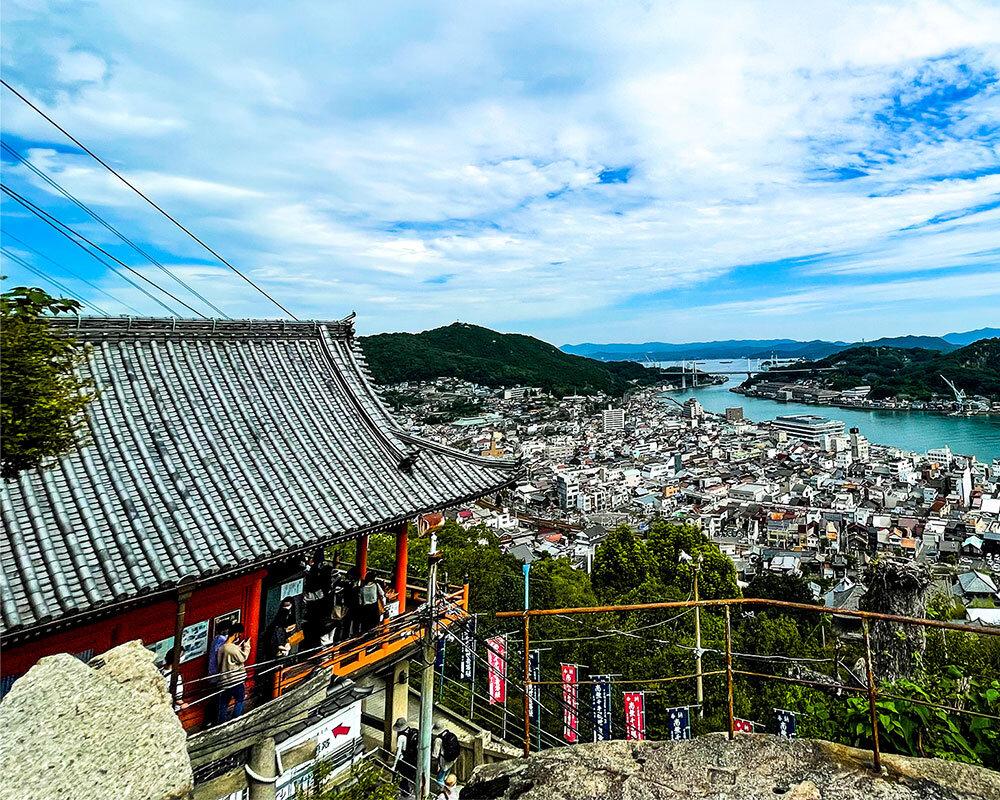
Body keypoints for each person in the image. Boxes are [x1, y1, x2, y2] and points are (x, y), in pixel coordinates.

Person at [217, 622, 251, 723]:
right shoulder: (232, 648)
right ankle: (236, 720)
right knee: (240, 699)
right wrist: (247, 646)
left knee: (223, 704)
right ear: (236, 634)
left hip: (224, 680)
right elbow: (243, 658)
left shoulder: (222, 648)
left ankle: (221, 723)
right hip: (235, 679)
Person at [391, 716, 418, 799]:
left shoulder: (401, 737)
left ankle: (402, 792)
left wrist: (394, 765)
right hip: (412, 758)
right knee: (407, 775)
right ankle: (408, 791)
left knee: (398, 775)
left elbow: (399, 752)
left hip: (403, 759)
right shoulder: (411, 731)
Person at [432, 720, 460, 784]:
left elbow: (435, 754)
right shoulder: (450, 734)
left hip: (444, 761)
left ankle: (442, 791)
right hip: (452, 759)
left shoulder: (438, 740)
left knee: (439, 779)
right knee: (446, 776)